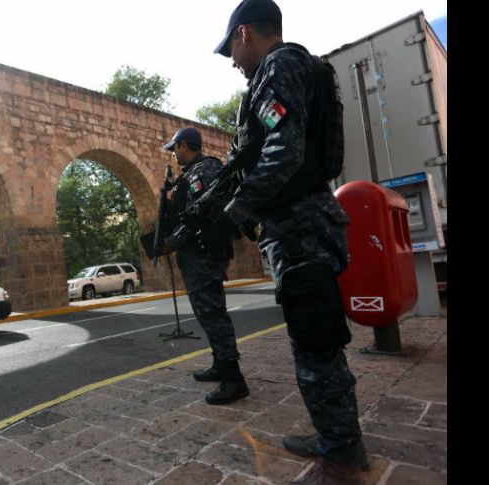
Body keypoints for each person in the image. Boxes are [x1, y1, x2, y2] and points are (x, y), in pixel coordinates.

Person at [213, 1, 368, 483]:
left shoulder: (277, 65)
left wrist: (243, 205)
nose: (236, 64)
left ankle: (341, 455)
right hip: (306, 218)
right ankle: (335, 435)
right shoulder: (302, 65)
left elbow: (285, 148)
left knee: (315, 337)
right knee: (315, 334)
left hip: (298, 224)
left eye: (233, 53)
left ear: (244, 35)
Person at [160, 126, 249, 405]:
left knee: (212, 314)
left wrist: (173, 241)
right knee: (207, 313)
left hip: (203, 253)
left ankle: (233, 378)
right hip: (196, 254)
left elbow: (202, 214)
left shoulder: (204, 171)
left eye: (175, 149)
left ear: (184, 146)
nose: (174, 155)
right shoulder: (193, 174)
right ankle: (220, 364)